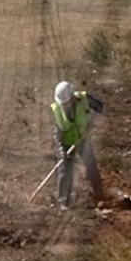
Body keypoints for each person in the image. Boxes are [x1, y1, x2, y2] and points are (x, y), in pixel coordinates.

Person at [50, 80, 108, 209]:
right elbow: (57, 132)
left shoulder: (84, 98)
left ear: (73, 97)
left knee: (91, 167)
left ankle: (100, 197)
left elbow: (100, 107)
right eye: (63, 104)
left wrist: (93, 121)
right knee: (65, 171)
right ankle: (63, 202)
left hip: (83, 139)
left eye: (67, 103)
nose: (65, 106)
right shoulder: (57, 110)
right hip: (67, 142)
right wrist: (61, 149)